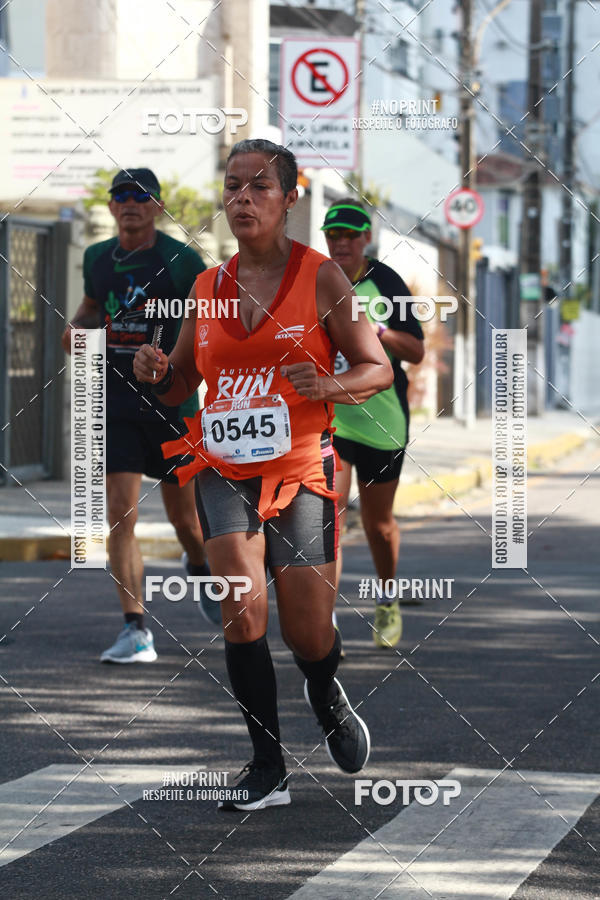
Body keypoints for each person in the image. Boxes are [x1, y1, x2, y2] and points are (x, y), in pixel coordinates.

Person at [133, 140, 393, 810]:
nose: (242, 198)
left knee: (307, 632)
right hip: (222, 471)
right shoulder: (207, 288)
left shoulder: (321, 278)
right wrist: (162, 377)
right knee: (240, 612)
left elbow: (378, 367)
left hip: (303, 471)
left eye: (259, 186)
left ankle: (326, 688)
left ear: (289, 199)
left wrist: (332, 383)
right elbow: (184, 381)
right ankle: (267, 767)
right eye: (232, 186)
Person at [62, 167, 214, 664]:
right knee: (119, 517)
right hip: (118, 402)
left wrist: (180, 366)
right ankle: (136, 630)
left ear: (156, 206)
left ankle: (201, 568)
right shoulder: (97, 258)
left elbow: (206, 321)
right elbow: (91, 308)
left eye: (140, 196)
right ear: (111, 207)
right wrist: (77, 328)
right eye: (121, 196)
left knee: (187, 522)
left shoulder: (180, 260)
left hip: (172, 404)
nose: (130, 203)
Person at [322, 199, 425, 650]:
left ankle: (386, 598)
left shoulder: (385, 283)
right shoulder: (318, 280)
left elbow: (416, 351)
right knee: (330, 518)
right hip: (333, 419)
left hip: (382, 421)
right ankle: (324, 617)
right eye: (334, 234)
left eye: (350, 235)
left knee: (378, 523)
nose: (341, 242)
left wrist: (375, 331)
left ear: (366, 238)